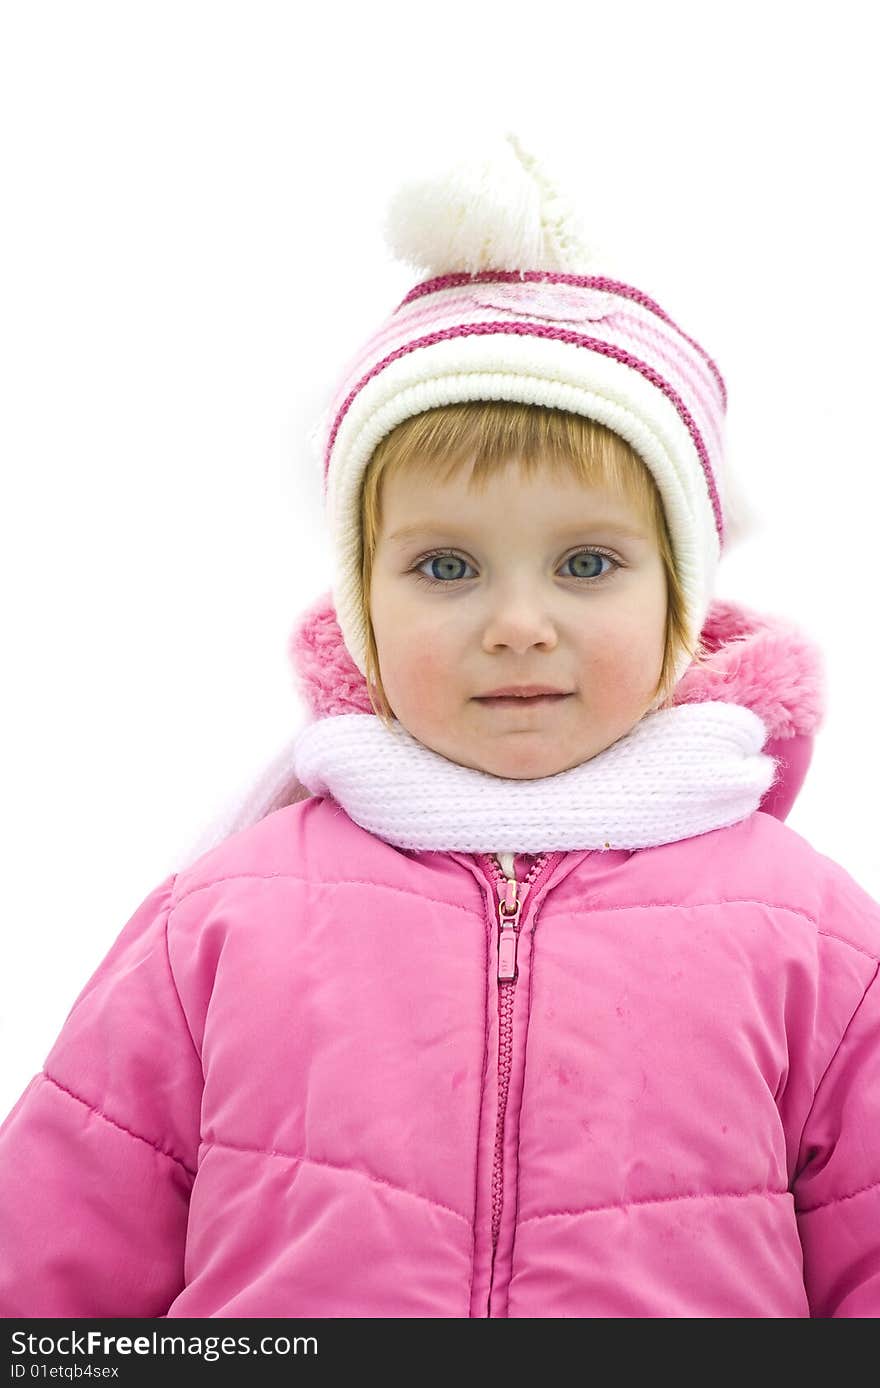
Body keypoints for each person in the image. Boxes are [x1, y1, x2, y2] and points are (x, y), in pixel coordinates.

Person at [1, 132, 878, 1320]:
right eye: (447, 565)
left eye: (585, 562)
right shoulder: (224, 915)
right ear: (362, 604)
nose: (518, 623)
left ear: (681, 598)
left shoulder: (810, 934)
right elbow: (54, 1261)